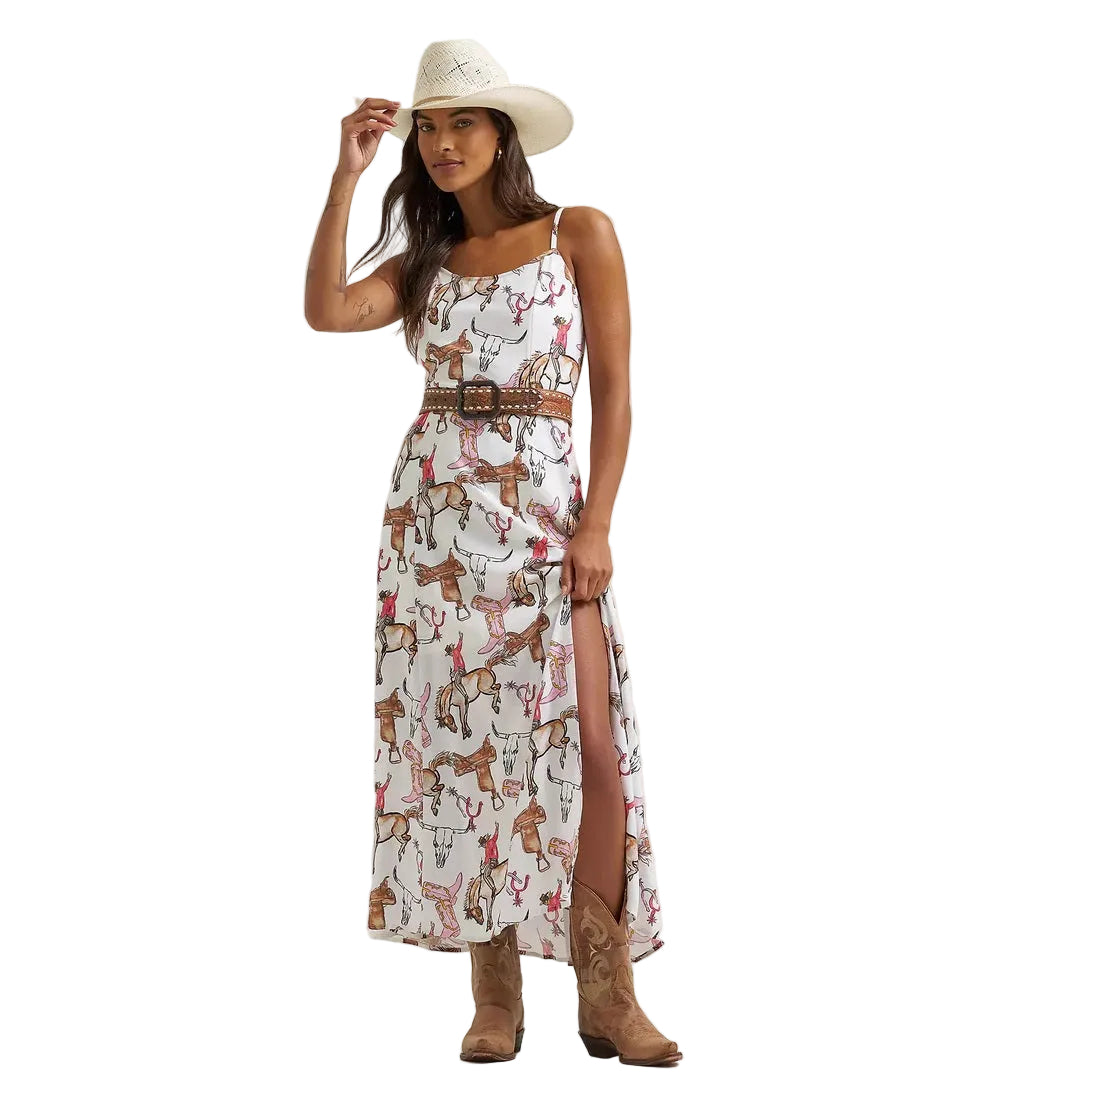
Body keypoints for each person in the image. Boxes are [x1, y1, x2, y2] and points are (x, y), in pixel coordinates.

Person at [305, 38, 681, 1068]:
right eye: (426, 127)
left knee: (590, 747)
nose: (440, 142)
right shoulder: (424, 263)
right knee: (458, 753)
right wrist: (345, 175)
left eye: (460, 122)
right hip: (434, 521)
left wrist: (597, 522)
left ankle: (608, 993)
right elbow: (327, 310)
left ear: (502, 132)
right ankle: (495, 990)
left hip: (548, 517)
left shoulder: (577, 233)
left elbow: (615, 392)